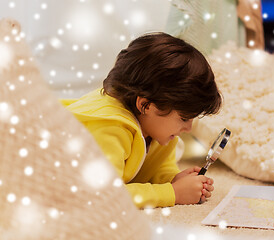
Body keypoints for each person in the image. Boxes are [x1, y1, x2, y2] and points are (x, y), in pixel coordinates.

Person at [62, 32, 222, 208]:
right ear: (146, 105)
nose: (188, 129)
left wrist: (173, 179)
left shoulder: (157, 129)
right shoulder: (110, 128)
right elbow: (101, 194)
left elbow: (155, 167)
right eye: (183, 118)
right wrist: (172, 193)